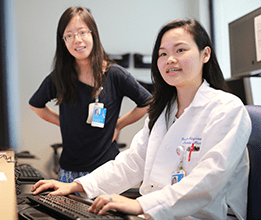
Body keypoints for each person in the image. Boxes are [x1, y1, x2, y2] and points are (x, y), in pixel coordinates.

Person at [31, 19, 252, 220]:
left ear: (205, 54)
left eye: (180, 50)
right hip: (153, 213)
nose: (170, 60)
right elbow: (134, 161)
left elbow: (208, 181)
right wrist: (77, 185)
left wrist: (141, 205)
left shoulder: (226, 109)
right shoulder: (163, 111)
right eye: (162, 54)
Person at [29, 6, 152, 183]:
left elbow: (147, 102)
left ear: (93, 34)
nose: (76, 40)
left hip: (106, 171)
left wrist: (118, 125)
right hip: (69, 172)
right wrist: (62, 122)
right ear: (63, 41)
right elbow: (36, 105)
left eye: (82, 32)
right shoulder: (60, 76)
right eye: (69, 35)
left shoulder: (115, 74)